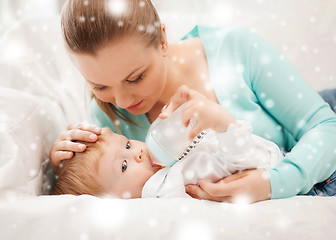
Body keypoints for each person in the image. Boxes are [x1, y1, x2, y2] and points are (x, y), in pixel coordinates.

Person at [50, 0, 336, 202]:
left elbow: (325, 127)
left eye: (135, 78)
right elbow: (96, 182)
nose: (122, 101)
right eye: (99, 86)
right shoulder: (105, 118)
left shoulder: (236, 51)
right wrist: (61, 165)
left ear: (162, 40)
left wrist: (273, 184)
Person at [53, 86, 283, 199]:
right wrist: (224, 124)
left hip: (284, 163)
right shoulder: (167, 187)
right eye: (123, 165)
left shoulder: (164, 170)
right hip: (295, 178)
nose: (138, 152)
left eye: (127, 145)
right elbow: (233, 164)